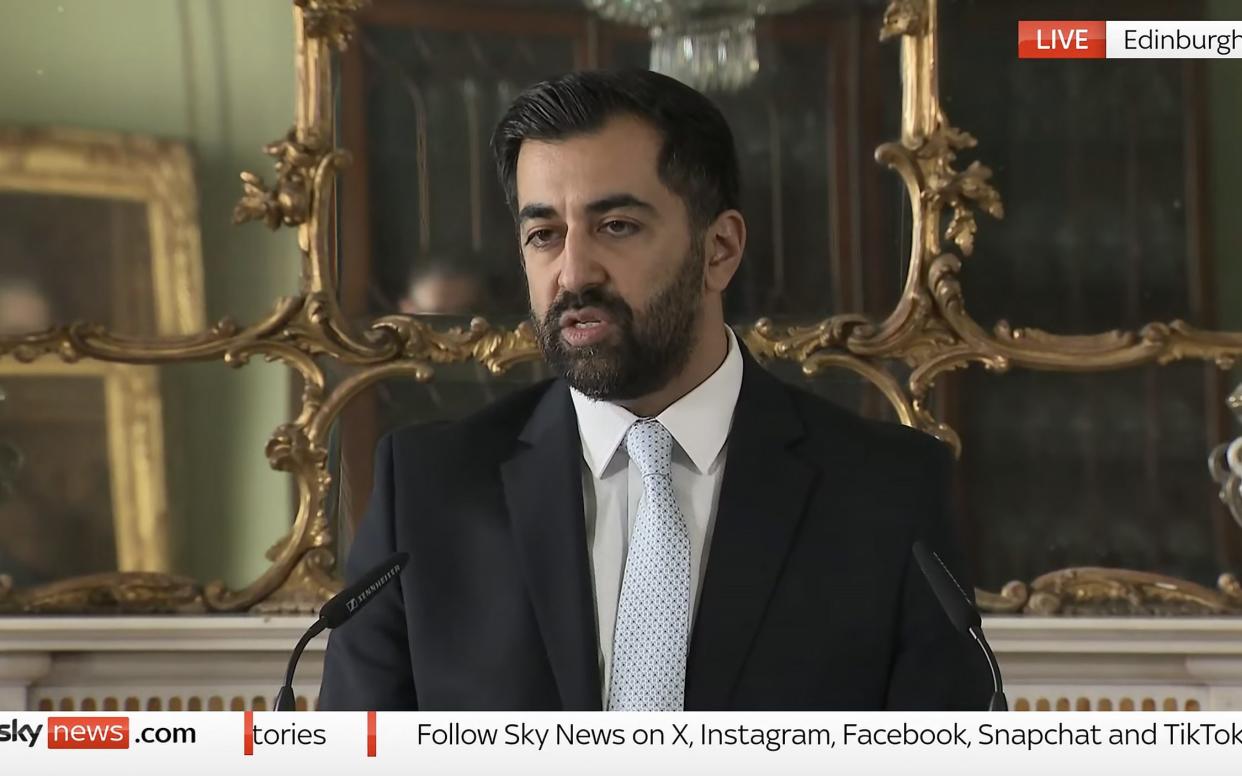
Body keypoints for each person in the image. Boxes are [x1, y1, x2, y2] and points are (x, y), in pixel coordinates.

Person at [319, 69, 990, 711]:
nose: (574, 273)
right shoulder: (429, 491)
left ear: (720, 249)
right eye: (544, 234)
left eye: (617, 226)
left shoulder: (886, 491)